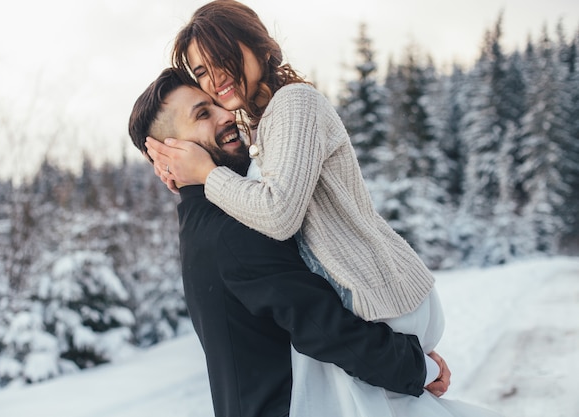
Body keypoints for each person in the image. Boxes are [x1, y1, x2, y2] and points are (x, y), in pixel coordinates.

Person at [144, 1, 503, 416]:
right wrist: (178, 166)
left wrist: (206, 174)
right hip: (363, 303)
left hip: (378, 295)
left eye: (223, 55)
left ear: (259, 45)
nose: (216, 76)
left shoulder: (294, 103)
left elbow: (278, 214)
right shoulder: (261, 123)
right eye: (202, 70)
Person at [128, 67, 447, 417]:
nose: (225, 115)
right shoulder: (230, 230)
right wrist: (419, 368)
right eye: (203, 114)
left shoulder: (210, 216)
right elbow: (327, 329)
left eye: (215, 104)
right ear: (170, 153)